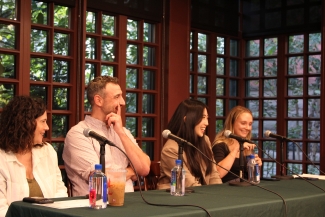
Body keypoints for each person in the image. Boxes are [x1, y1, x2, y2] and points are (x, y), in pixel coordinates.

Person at [63, 76, 150, 196]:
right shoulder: (78, 134)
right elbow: (100, 179)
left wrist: (120, 133)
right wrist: (131, 171)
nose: (123, 102)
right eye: (117, 97)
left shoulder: (122, 131)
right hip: (92, 208)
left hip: (128, 204)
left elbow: (144, 168)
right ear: (99, 100)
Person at [0, 96, 67, 217]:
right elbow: (1, 209)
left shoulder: (47, 151)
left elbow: (60, 193)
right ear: (26, 123)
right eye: (43, 121)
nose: (47, 127)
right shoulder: (2, 157)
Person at [157, 99, 222, 189]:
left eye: (207, 118)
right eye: (202, 117)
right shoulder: (171, 149)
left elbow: (213, 174)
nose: (207, 123)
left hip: (202, 194)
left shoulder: (205, 140)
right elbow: (188, 183)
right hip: (177, 197)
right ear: (186, 119)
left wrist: (219, 193)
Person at [212, 105, 263, 183]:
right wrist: (236, 149)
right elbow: (218, 174)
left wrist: (256, 167)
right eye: (243, 123)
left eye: (250, 124)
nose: (248, 128)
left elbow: (250, 178)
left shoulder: (248, 146)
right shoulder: (220, 145)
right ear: (232, 123)